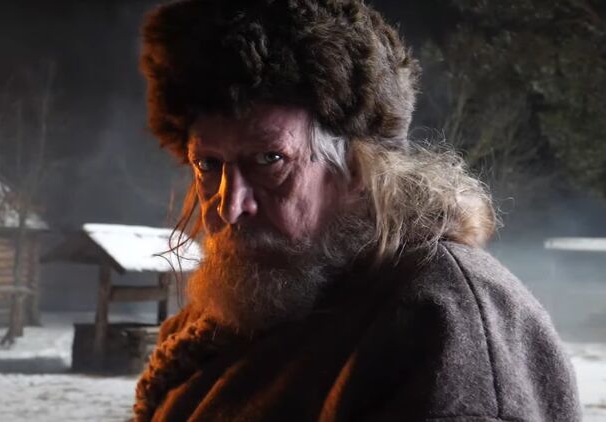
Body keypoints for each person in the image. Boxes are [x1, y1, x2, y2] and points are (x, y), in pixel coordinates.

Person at [133, 1, 581, 421]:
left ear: (359, 169)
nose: (231, 206)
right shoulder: (241, 306)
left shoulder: (443, 328)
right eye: (208, 164)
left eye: (270, 159)